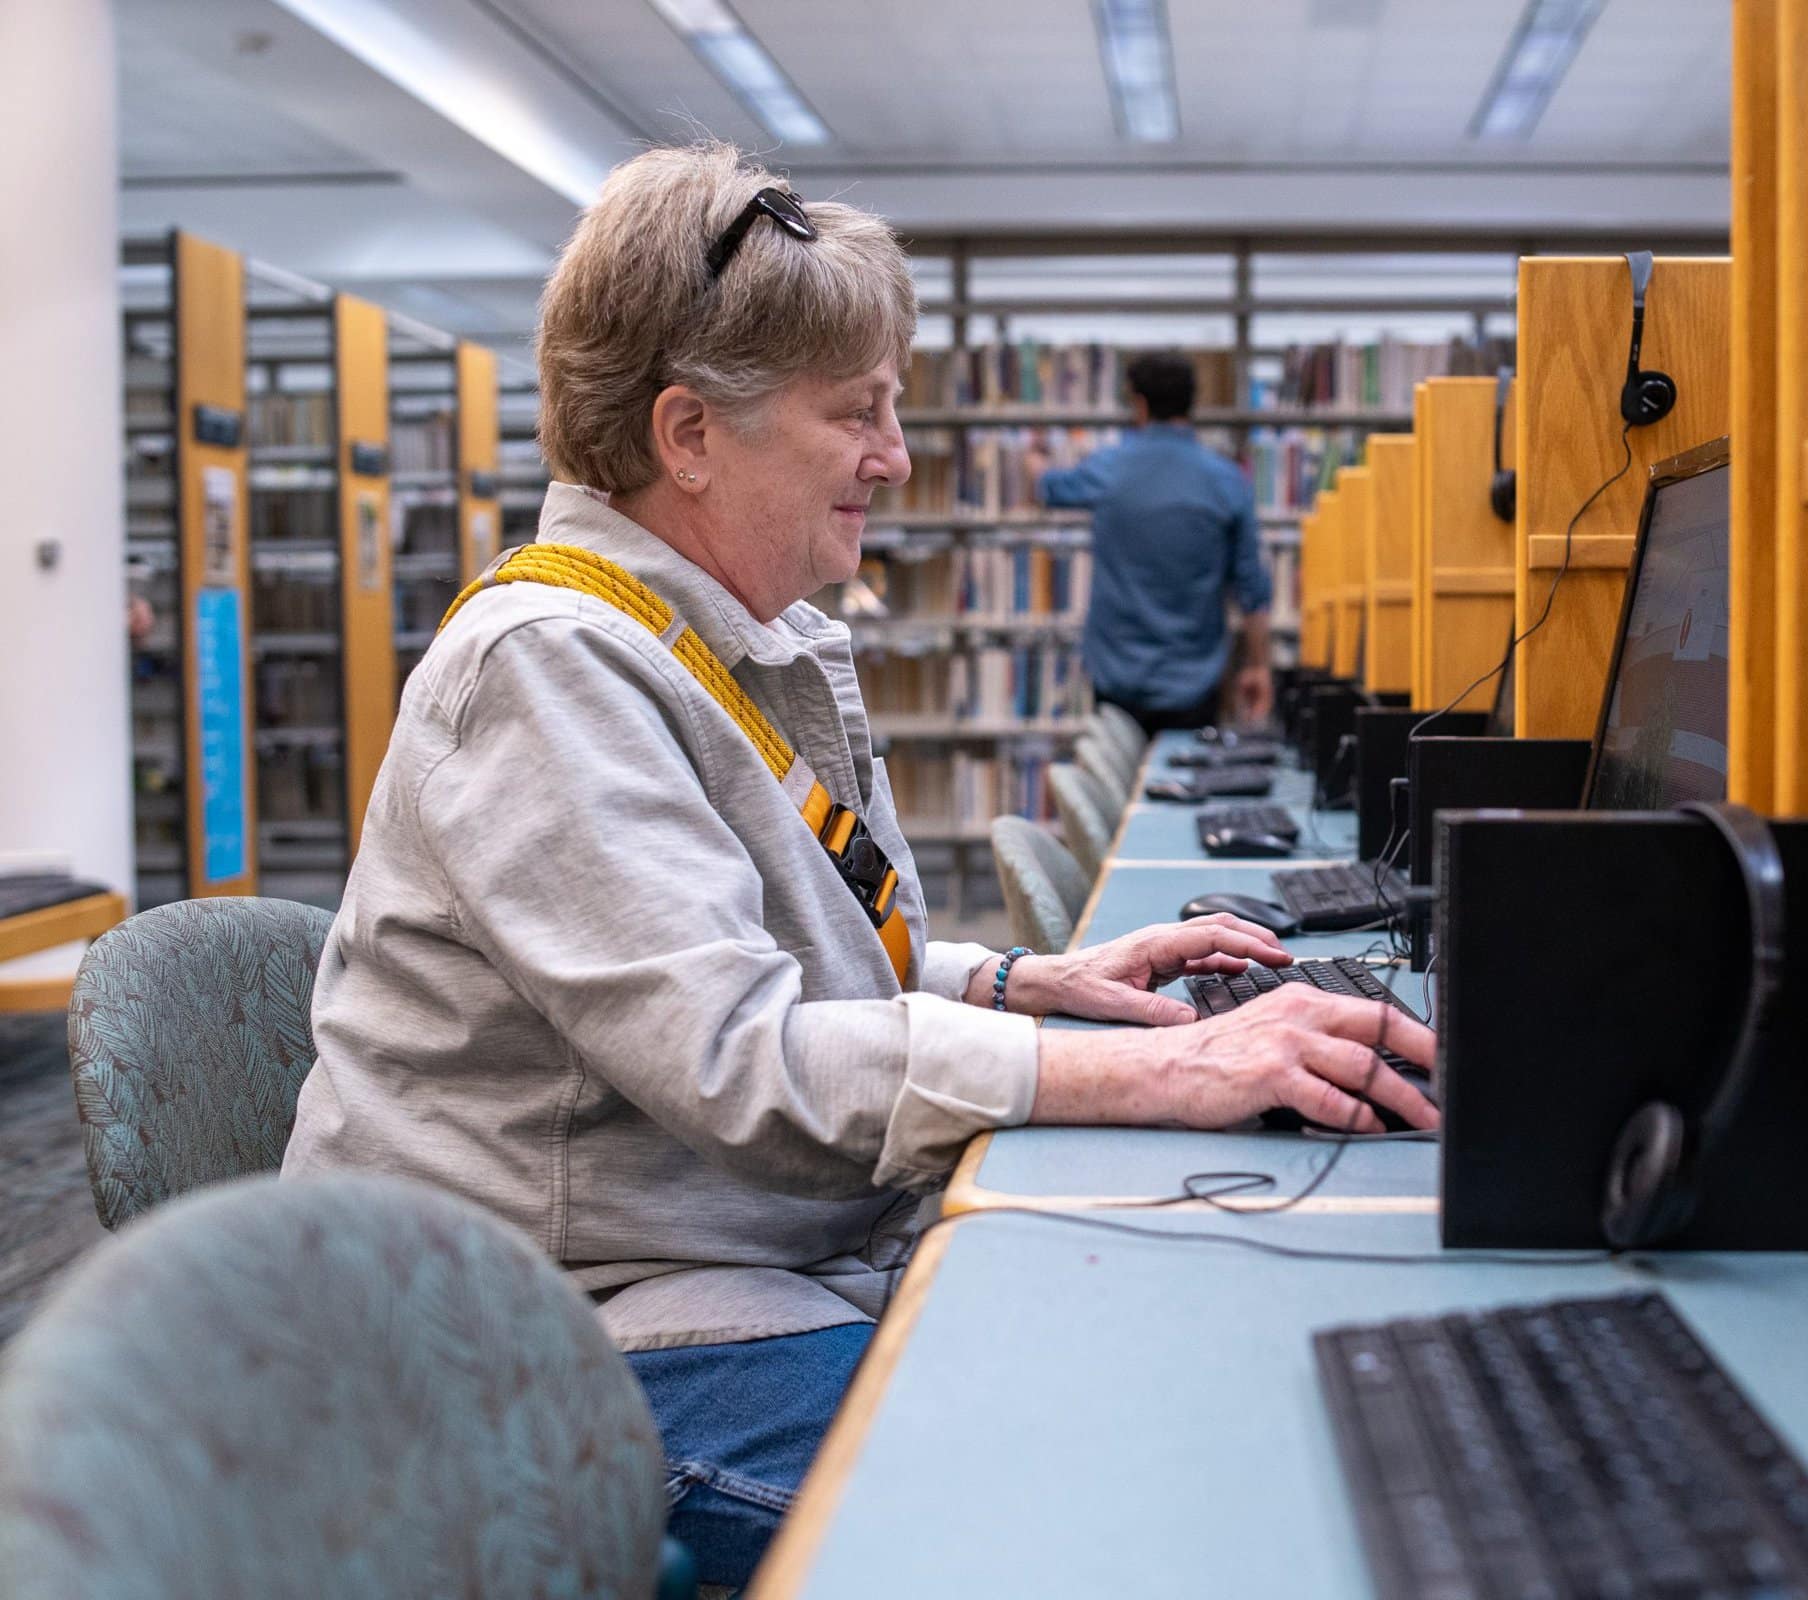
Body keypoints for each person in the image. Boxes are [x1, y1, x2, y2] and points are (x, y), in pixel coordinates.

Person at [277, 143, 1435, 1590]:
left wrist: (1022, 985)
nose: (894, 456)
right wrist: (1159, 1067)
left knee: (1149, 1406)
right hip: (551, 1333)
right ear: (690, 433)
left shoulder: (727, 645)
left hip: (738, 1266)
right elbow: (742, 1060)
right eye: (857, 413)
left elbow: (780, 967)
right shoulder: (549, 669)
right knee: (1090, 1530)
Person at [1035, 350, 1274, 733]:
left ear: (1139, 403)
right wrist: (1259, 665)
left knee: (1115, 770)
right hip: (1194, 679)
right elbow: (1252, 588)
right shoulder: (1228, 481)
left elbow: (1049, 489)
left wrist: (1034, 459)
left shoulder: (1109, 468)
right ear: (1191, 403)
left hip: (1117, 672)